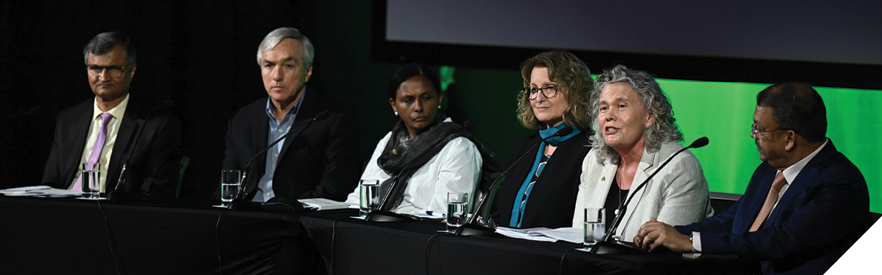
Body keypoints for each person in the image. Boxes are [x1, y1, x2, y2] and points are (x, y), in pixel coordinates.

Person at [634, 82, 872, 275]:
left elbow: (780, 240)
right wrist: (671, 233)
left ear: (789, 139)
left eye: (759, 129)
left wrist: (692, 243)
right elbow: (730, 222)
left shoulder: (841, 184)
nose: (752, 135)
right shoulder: (769, 169)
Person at [570, 65, 713, 240]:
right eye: (604, 108)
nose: (609, 115)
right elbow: (579, 235)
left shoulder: (679, 166)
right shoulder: (595, 160)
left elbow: (665, 247)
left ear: (649, 117)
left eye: (621, 106)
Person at [223, 27, 360, 203]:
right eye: (269, 65)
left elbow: (334, 188)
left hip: (299, 220)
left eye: (288, 66)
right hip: (245, 217)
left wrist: (287, 210)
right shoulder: (242, 119)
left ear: (308, 71)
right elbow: (229, 183)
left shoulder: (333, 119)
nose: (277, 76)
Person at [42, 31, 182, 196]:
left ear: (131, 70)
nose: (103, 77)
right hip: (65, 210)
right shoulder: (69, 119)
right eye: (95, 68)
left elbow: (157, 193)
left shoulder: (155, 124)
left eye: (114, 69)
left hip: (115, 215)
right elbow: (50, 184)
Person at [345, 63, 496, 215]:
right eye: (408, 100)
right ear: (394, 105)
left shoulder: (459, 147)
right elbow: (358, 200)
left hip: (419, 235)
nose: (418, 107)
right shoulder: (390, 141)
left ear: (440, 98)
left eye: (426, 98)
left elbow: (443, 215)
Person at [494, 51, 594, 228]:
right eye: (533, 89)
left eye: (550, 88)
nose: (538, 98)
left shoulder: (590, 150)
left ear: (576, 92)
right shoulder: (523, 149)